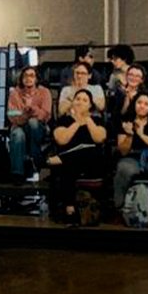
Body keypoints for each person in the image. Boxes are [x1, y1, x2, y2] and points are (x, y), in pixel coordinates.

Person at [48, 89, 107, 224]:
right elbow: (61, 140)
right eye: (77, 99)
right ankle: (70, 208)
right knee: (68, 165)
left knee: (90, 150)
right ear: (72, 102)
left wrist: (87, 119)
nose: (80, 102)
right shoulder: (64, 120)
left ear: (90, 105)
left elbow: (99, 138)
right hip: (71, 164)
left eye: (85, 100)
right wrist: (77, 123)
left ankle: (69, 209)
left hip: (92, 162)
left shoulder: (97, 120)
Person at [5, 66, 52, 182]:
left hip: (38, 127)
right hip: (19, 124)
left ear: (36, 79)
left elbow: (46, 114)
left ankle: (35, 160)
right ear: (21, 79)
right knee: (18, 135)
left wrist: (33, 109)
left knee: (33, 123)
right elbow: (11, 113)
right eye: (25, 76)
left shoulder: (44, 92)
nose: (28, 78)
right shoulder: (14, 93)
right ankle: (17, 174)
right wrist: (25, 114)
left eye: (31, 75)